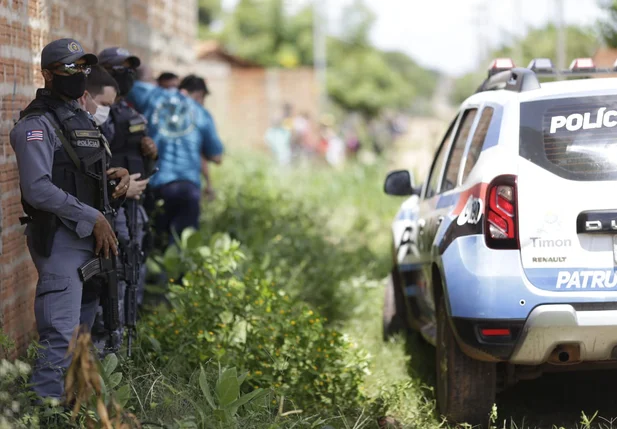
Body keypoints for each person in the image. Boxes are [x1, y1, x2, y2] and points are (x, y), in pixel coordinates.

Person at [9, 38, 130, 400]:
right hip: (61, 239)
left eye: (83, 67)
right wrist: (91, 216)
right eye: (69, 68)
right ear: (47, 74)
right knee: (60, 335)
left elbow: (83, 172)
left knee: (82, 332)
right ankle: (46, 409)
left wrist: (115, 176)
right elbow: (37, 188)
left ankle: (73, 406)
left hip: (91, 239)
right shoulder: (36, 124)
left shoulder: (77, 116)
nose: (79, 74)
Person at [94, 47, 158, 353]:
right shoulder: (95, 113)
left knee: (133, 269)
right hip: (109, 208)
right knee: (112, 275)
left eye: (129, 68)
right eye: (118, 68)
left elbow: (140, 159)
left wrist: (151, 152)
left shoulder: (131, 113)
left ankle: (124, 339)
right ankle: (106, 344)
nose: (126, 74)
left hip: (133, 206)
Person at [127, 72, 223, 249]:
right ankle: (173, 276)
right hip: (187, 186)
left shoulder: (154, 95)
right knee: (181, 245)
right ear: (200, 95)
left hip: (154, 183)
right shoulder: (201, 112)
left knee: (151, 240)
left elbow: (126, 85)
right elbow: (217, 156)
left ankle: (154, 274)